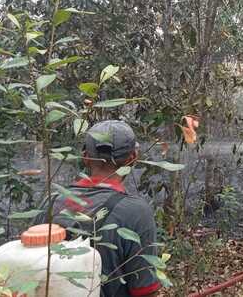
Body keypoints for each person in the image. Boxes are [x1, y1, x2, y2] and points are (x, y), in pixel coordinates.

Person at [34, 120, 161, 297]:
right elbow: (144, 290)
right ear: (133, 158)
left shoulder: (51, 200)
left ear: (85, 156)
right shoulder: (136, 212)